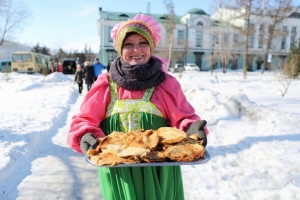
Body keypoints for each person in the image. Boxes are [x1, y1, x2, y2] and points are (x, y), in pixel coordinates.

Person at [67, 14, 209, 200]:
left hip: (160, 170)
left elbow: (183, 117)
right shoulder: (105, 84)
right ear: (119, 48)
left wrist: (192, 128)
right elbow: (86, 119)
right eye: (128, 44)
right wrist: (86, 134)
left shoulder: (166, 84)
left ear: (151, 46)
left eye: (143, 43)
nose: (136, 50)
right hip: (118, 170)